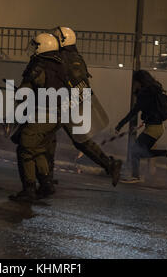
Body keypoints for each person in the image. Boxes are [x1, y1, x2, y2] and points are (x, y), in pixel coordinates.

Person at [50, 26, 122, 186]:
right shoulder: (71, 56)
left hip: (66, 104)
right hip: (65, 103)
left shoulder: (66, 58)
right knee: (75, 140)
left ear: (63, 41)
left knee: (49, 137)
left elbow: (76, 83)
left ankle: (45, 178)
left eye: (56, 38)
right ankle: (109, 165)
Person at [9, 33, 63, 202]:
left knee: (25, 149)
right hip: (58, 114)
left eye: (36, 45)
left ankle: (29, 189)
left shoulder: (39, 66)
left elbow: (25, 93)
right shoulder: (60, 65)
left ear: (43, 46)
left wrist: (17, 94)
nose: (34, 49)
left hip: (42, 113)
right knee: (38, 148)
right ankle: (46, 184)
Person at [115, 70, 167, 183]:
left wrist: (120, 125)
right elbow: (164, 97)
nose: (134, 84)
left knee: (135, 151)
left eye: (135, 82)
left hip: (153, 129)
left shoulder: (144, 94)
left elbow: (133, 112)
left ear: (140, 81)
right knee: (140, 152)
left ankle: (136, 177)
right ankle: (166, 153)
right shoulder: (153, 90)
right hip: (157, 127)